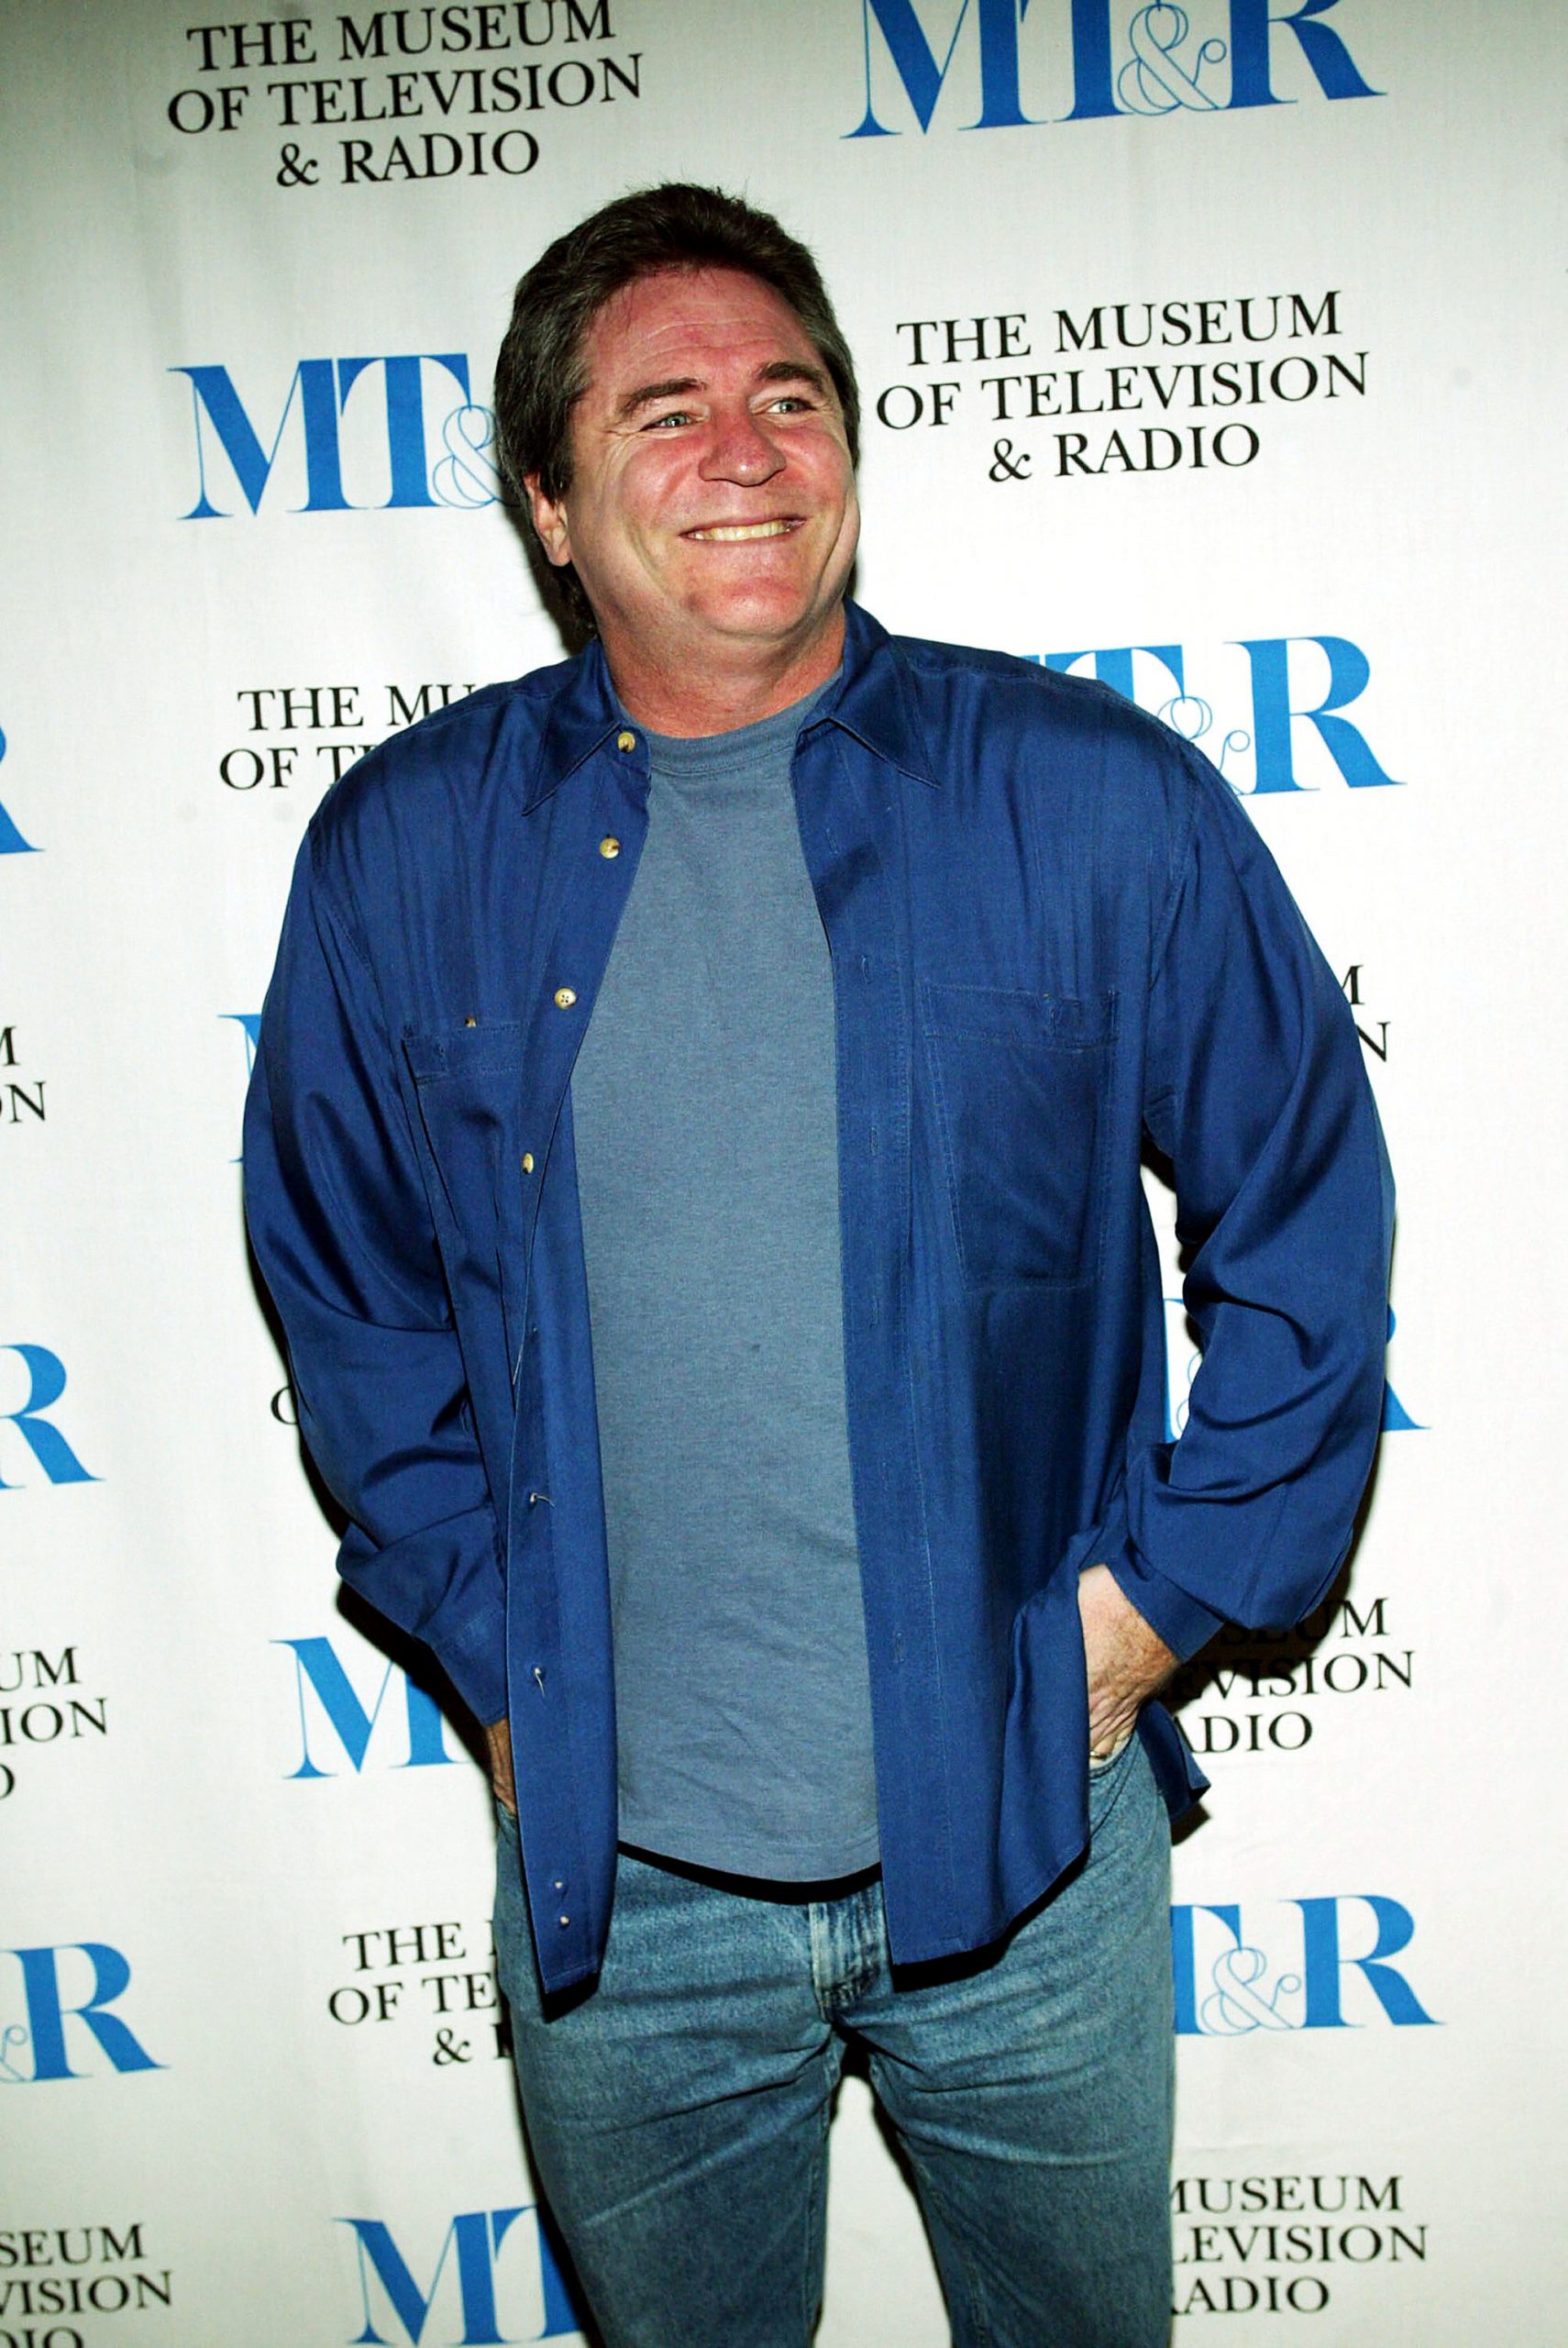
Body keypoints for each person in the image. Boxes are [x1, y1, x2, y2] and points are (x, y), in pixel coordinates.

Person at [244, 183, 1392, 2348]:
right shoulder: (406, 854)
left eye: (789, 398)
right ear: (549, 503)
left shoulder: (1089, 799)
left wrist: (1159, 1604)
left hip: (1031, 1840)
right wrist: (493, 1652)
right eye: (662, 412)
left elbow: (1308, 1207)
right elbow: (349, 1292)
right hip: (625, 1894)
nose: (745, 452)